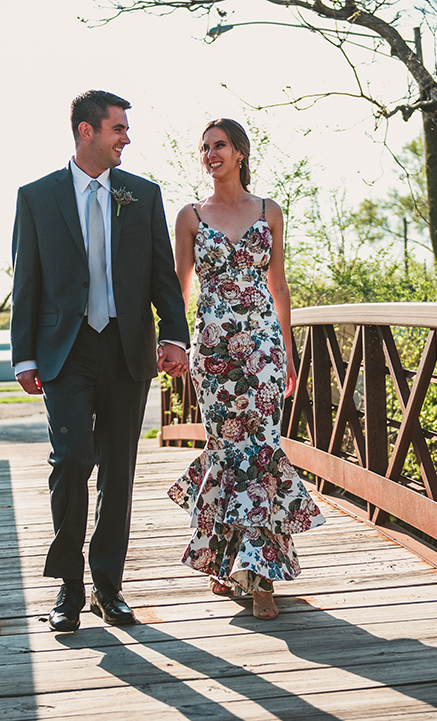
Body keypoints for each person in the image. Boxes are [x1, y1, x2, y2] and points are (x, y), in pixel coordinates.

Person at [10, 90, 191, 633]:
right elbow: (27, 281)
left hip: (126, 346)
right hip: (66, 349)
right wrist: (23, 355)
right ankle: (68, 586)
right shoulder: (37, 197)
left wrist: (176, 337)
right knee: (70, 460)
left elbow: (163, 273)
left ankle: (107, 586)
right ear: (87, 131)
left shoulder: (142, 194)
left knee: (119, 467)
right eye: (118, 129)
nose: (126, 139)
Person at [167, 118, 324, 620]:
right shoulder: (189, 216)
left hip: (262, 353)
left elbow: (278, 286)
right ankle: (227, 561)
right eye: (205, 148)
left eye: (220, 146)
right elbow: (179, 290)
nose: (211, 154)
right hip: (213, 354)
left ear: (240, 153)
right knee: (227, 450)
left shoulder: (269, 211)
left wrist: (290, 352)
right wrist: (172, 344)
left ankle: (260, 579)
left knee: (260, 451)